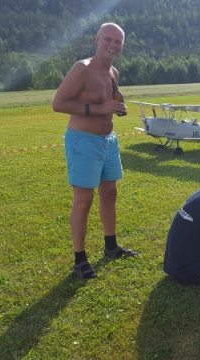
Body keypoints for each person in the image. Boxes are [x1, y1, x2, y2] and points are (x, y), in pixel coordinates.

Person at [52, 22, 138, 280]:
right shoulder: (83, 68)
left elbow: (112, 99)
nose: (112, 44)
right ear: (97, 39)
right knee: (84, 199)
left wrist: (117, 108)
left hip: (108, 140)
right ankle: (80, 259)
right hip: (84, 140)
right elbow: (58, 103)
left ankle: (111, 246)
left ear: (122, 47)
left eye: (118, 42)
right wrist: (98, 110)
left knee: (110, 192)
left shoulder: (113, 72)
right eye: (108, 39)